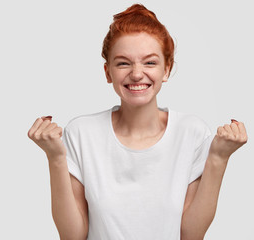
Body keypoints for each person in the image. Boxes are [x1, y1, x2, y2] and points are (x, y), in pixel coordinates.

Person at [27, 4, 247, 240]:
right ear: (108, 72)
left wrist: (218, 158)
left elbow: (191, 235)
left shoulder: (190, 133)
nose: (136, 73)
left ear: (167, 69)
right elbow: (72, 236)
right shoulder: (82, 133)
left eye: (150, 62)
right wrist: (55, 158)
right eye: (123, 63)